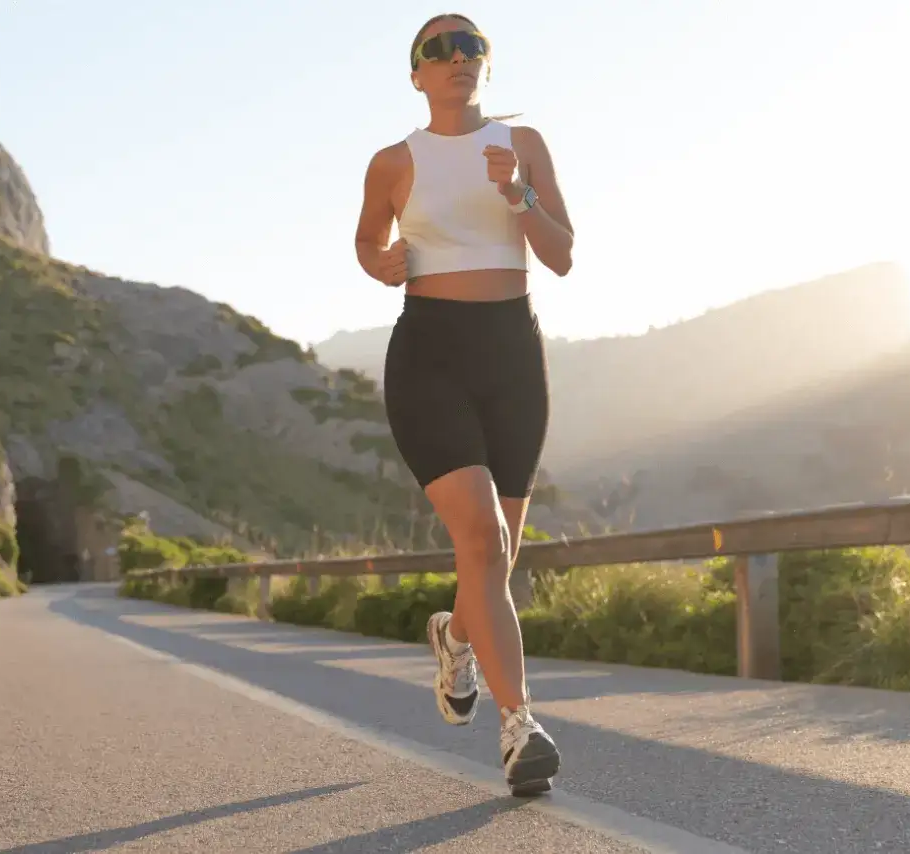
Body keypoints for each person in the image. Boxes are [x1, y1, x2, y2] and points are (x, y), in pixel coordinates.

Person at [353, 13, 575, 796]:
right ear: (416, 75)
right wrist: (383, 264)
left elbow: (562, 255)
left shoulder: (523, 148)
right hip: (431, 355)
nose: (456, 57)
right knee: (480, 536)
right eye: (436, 50)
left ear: (488, 64)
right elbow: (369, 245)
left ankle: (455, 635)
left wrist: (517, 195)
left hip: (514, 353)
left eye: (470, 45)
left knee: (497, 553)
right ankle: (521, 729)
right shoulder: (392, 162)